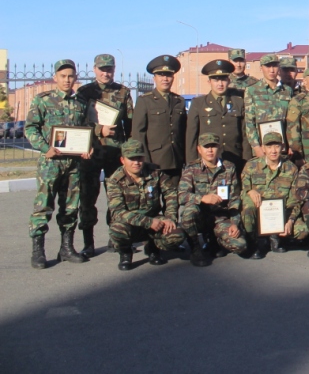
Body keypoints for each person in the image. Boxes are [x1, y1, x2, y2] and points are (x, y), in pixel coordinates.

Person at [26, 59, 92, 268]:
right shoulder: (43, 100)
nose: (67, 80)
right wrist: (45, 148)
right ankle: (38, 251)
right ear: (55, 78)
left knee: (71, 207)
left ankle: (66, 248)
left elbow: (86, 128)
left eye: (70, 76)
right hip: (51, 163)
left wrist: (88, 147)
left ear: (75, 78)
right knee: (43, 206)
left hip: (73, 165)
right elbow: (30, 128)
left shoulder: (80, 103)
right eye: (63, 76)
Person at [77, 52, 134, 257]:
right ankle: (88, 242)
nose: (106, 73)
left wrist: (129, 152)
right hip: (91, 152)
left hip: (114, 152)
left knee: (116, 197)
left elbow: (129, 124)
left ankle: (115, 237)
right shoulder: (84, 92)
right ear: (94, 70)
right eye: (102, 69)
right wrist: (97, 130)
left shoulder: (122, 92)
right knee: (87, 197)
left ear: (114, 70)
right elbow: (78, 122)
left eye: (109, 69)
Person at [105, 139, 184, 270]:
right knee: (117, 230)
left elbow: (170, 193)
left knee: (177, 235)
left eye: (139, 158)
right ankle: (125, 253)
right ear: (123, 160)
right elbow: (118, 212)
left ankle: (153, 248)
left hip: (154, 219)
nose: (136, 162)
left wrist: (169, 217)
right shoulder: (115, 180)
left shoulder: (155, 172)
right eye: (131, 159)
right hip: (130, 223)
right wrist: (148, 222)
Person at [178, 133, 248, 267]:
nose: (210, 150)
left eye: (213, 146)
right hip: (199, 216)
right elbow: (182, 195)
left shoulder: (229, 168)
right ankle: (195, 249)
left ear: (219, 148)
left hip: (220, 217)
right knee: (188, 212)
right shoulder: (191, 168)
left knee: (240, 245)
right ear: (199, 149)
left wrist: (234, 223)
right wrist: (202, 198)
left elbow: (234, 198)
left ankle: (215, 240)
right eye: (206, 147)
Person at [240, 131, 305, 258]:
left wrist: (290, 220)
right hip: (258, 214)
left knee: (302, 230)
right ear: (263, 148)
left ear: (282, 147)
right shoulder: (251, 165)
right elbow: (243, 190)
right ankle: (255, 242)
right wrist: (250, 191)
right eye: (269, 147)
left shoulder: (291, 168)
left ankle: (277, 238)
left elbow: (295, 198)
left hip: (280, 215)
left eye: (276, 146)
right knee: (248, 206)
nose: (273, 151)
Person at [133, 55, 187, 187]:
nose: (165, 79)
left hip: (176, 159)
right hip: (154, 160)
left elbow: (184, 131)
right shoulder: (145, 100)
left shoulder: (179, 101)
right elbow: (138, 133)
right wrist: (143, 159)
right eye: (161, 75)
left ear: (173, 78)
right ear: (154, 78)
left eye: (168, 75)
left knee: (173, 202)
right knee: (153, 201)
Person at [185, 59, 247, 170]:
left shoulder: (238, 102)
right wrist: (192, 163)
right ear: (209, 82)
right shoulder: (198, 103)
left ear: (228, 80)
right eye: (216, 80)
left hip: (235, 158)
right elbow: (191, 136)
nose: (220, 84)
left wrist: (246, 161)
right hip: (207, 161)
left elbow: (245, 135)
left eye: (223, 79)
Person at [243, 54, 293, 160]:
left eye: (274, 66)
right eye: (268, 66)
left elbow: (291, 121)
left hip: (282, 146)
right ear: (261, 68)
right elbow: (249, 122)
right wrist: (256, 147)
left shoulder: (287, 90)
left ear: (279, 68)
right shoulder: (252, 90)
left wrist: (292, 143)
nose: (271, 70)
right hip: (262, 147)